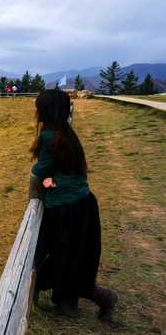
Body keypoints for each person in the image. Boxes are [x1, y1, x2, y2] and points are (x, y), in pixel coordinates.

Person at [30, 89, 118, 321]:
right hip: (81, 204)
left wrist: (37, 174)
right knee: (72, 256)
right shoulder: (66, 133)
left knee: (66, 256)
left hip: (68, 208)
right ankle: (67, 304)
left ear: (47, 111)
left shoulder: (50, 136)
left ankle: (101, 298)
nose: (36, 112)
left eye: (39, 107)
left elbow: (41, 170)